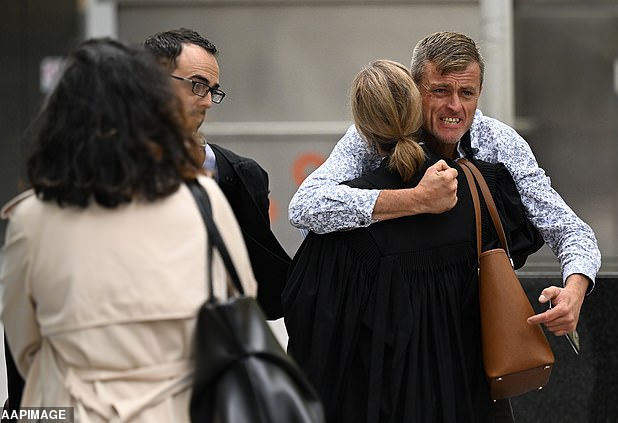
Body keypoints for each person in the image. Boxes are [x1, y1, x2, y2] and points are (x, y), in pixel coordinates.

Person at [0, 37, 257, 421]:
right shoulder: (202, 199)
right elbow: (240, 301)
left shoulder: (30, 218)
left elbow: (23, 347)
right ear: (149, 109)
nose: (205, 101)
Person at [288, 31, 600, 338]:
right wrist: (416, 200)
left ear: (480, 92)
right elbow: (305, 208)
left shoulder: (500, 142)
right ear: (414, 88)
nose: (455, 106)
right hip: (384, 327)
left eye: (467, 93)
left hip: (468, 325)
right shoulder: (372, 137)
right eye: (440, 91)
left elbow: (568, 228)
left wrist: (574, 290)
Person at [283, 59, 543, 423]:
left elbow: (311, 328)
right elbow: (526, 237)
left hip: (386, 402)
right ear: (418, 109)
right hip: (467, 398)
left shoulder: (340, 227)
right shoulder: (479, 188)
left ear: (363, 130)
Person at [143, 28, 291, 320]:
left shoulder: (240, 176)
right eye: (197, 85)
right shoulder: (102, 173)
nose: (208, 101)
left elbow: (263, 292)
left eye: (212, 89)